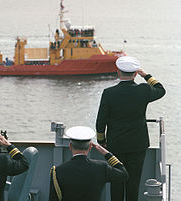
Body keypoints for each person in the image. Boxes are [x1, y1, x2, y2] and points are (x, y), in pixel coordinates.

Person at [96, 56, 166, 201]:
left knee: (116, 181)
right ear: (135, 74)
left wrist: (102, 141)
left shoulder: (109, 93)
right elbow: (160, 89)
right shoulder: (144, 90)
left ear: (118, 73)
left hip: (115, 145)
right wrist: (145, 75)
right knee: (133, 181)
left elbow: (100, 122)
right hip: (138, 145)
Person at [49, 126, 128, 201]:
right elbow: (124, 174)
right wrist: (107, 154)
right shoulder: (101, 168)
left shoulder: (57, 172)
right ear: (90, 147)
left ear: (70, 146)